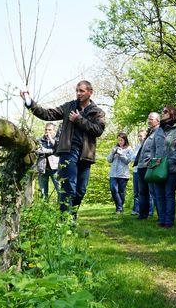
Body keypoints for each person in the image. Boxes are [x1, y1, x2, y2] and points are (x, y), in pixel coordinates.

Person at [20, 80, 106, 219]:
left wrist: (79, 120)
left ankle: (71, 216)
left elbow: (98, 130)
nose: (78, 93)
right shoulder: (69, 107)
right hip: (68, 151)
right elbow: (47, 114)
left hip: (86, 155)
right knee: (69, 186)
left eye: (82, 91)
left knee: (80, 190)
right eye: (77, 90)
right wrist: (29, 102)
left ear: (90, 92)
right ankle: (65, 220)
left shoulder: (97, 112)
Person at [151, 105, 176, 228]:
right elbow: (153, 148)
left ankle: (169, 221)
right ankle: (161, 219)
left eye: (165, 111)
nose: (163, 113)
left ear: (172, 114)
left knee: (168, 194)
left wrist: (171, 161)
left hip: (172, 168)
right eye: (162, 111)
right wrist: (153, 161)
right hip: (157, 168)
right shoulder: (158, 131)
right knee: (159, 195)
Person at [134, 112, 160, 219]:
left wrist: (152, 163)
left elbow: (158, 149)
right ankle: (142, 214)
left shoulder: (159, 132)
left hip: (151, 165)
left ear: (157, 120)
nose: (149, 121)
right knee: (142, 191)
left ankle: (161, 216)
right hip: (141, 165)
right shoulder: (149, 132)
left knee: (154, 191)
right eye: (148, 119)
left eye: (151, 119)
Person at [107, 132, 133, 214]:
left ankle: (119, 208)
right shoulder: (115, 148)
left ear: (125, 140)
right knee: (113, 189)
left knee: (121, 192)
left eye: (121, 140)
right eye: (118, 140)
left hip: (123, 174)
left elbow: (127, 161)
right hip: (113, 174)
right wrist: (112, 152)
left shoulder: (129, 149)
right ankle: (119, 207)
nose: (120, 142)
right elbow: (109, 160)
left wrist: (121, 154)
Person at [35, 122, 60, 199]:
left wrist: (50, 141)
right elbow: (36, 151)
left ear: (54, 130)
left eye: (50, 130)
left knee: (60, 190)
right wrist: (49, 150)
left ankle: (62, 209)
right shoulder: (39, 140)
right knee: (43, 192)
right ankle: (44, 209)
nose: (47, 132)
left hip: (55, 168)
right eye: (46, 130)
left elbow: (58, 149)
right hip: (42, 168)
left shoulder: (57, 139)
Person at [131, 129, 147, 215]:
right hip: (136, 170)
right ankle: (136, 209)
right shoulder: (137, 146)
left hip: (144, 169)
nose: (140, 138)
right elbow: (133, 158)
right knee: (136, 191)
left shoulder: (147, 145)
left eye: (141, 136)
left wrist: (138, 157)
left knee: (145, 191)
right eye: (139, 136)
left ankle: (149, 210)